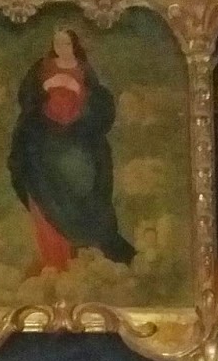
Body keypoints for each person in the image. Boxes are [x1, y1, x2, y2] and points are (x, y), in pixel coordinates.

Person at [8, 27, 135, 272]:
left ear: (74, 45)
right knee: (43, 194)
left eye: (66, 43)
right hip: (45, 140)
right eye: (57, 43)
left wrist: (78, 99)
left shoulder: (84, 70)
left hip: (78, 138)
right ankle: (55, 261)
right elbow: (27, 98)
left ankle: (81, 258)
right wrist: (45, 94)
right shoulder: (42, 67)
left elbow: (99, 105)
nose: (61, 48)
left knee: (80, 192)